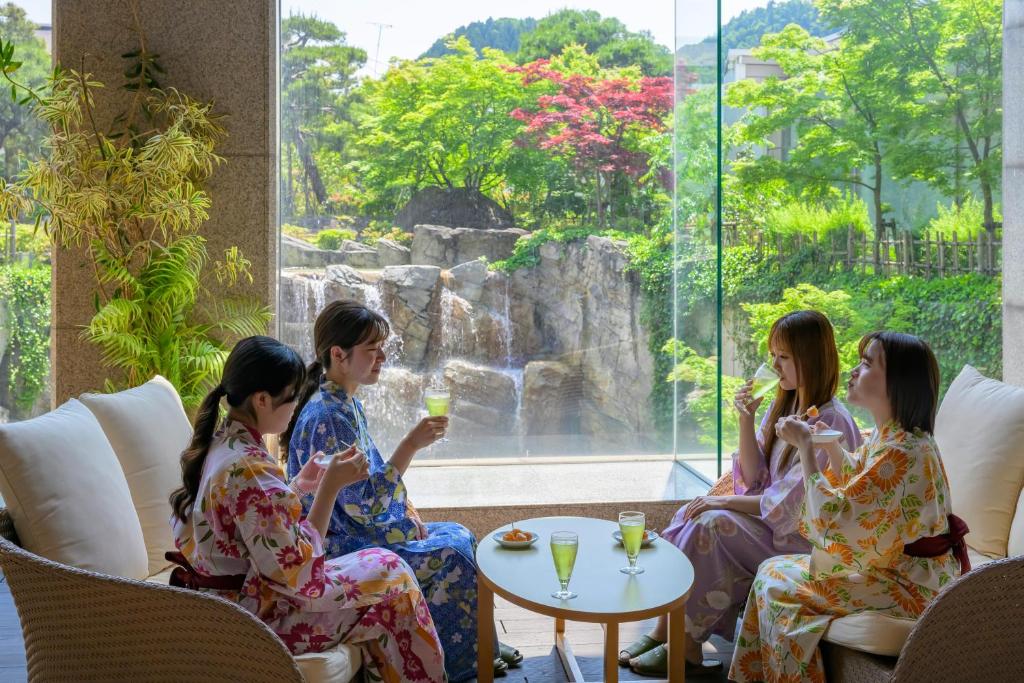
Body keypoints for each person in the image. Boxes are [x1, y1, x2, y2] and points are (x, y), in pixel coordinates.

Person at [169, 336, 445, 683]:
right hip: (252, 620)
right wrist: (331, 486)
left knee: (386, 566)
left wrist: (298, 485)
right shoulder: (251, 468)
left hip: (227, 601)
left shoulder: (224, 442)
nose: (296, 405)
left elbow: (252, 526)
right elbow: (301, 576)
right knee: (397, 581)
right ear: (262, 399)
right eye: (291, 397)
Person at [285, 300, 520, 681]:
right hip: (343, 545)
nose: (381, 358)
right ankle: (467, 662)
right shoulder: (329, 415)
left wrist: (407, 514)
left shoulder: (344, 403)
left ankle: (482, 646)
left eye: (382, 349)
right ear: (338, 355)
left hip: (360, 530)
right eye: (371, 350)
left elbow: (368, 487)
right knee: (451, 553)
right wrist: (410, 444)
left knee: (462, 536)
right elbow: (362, 505)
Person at [622, 310, 861, 677]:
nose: (775, 366)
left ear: (810, 358)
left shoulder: (832, 421)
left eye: (784, 357)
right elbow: (753, 479)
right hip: (775, 527)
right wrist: (746, 420)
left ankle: (686, 650)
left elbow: (790, 504)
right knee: (692, 513)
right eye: (773, 356)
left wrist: (723, 500)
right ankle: (664, 630)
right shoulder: (787, 405)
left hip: (804, 539)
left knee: (713, 523)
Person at [729, 331, 968, 682]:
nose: (855, 371)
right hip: (897, 571)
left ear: (897, 382)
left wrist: (807, 448)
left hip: (911, 588)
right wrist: (833, 449)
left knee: (779, 587)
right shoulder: (896, 437)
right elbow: (862, 488)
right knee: (771, 571)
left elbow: (835, 520)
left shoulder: (903, 451)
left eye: (867, 363)